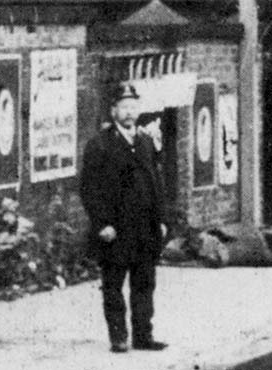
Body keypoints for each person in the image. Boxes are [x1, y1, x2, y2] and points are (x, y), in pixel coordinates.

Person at [80, 84, 168, 353]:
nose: (129, 113)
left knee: (144, 285)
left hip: (144, 229)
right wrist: (101, 223)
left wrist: (160, 219)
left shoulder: (144, 142)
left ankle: (143, 335)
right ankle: (119, 337)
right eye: (124, 107)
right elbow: (89, 188)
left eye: (133, 107)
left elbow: (156, 183)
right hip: (116, 230)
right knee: (113, 286)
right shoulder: (100, 145)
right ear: (114, 111)